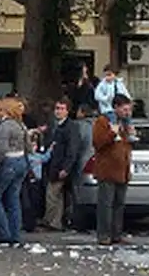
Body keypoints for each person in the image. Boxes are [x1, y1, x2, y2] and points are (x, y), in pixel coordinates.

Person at [90, 95, 136, 245]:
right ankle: (104, 235)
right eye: (124, 109)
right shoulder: (103, 121)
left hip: (122, 170)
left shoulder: (125, 123)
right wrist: (112, 133)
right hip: (107, 170)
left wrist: (131, 135)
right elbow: (97, 142)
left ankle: (117, 234)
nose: (127, 112)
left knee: (119, 204)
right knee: (106, 204)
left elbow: (126, 146)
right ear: (116, 107)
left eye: (129, 109)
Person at [0, 97, 28, 246]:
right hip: (21, 162)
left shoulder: (5, 126)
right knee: (13, 199)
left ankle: (3, 234)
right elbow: (28, 146)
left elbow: (2, 149)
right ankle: (15, 235)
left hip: (7, 163)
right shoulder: (21, 125)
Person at [42, 98, 81, 231]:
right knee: (56, 196)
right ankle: (55, 222)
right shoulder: (54, 125)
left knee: (52, 194)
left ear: (67, 111)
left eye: (62, 109)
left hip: (61, 165)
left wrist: (66, 167)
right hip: (52, 164)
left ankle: (51, 221)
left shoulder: (71, 127)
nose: (58, 111)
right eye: (57, 108)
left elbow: (72, 149)